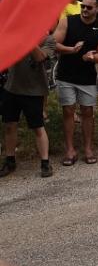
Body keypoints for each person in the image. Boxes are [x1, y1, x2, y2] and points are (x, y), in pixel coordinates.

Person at [53, 0, 98, 166]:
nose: (84, 9)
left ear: (97, 9)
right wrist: (71, 50)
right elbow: (54, 43)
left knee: (87, 113)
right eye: (83, 6)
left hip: (87, 78)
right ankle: (70, 150)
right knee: (68, 111)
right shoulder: (68, 20)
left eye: (89, 7)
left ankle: (88, 148)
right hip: (66, 75)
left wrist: (92, 58)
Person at [1, 30, 56, 178]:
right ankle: (10, 161)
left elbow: (39, 57)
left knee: (38, 127)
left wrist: (28, 38)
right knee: (9, 125)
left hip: (34, 90)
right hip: (12, 87)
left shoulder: (49, 40)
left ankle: (45, 163)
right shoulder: (15, 35)